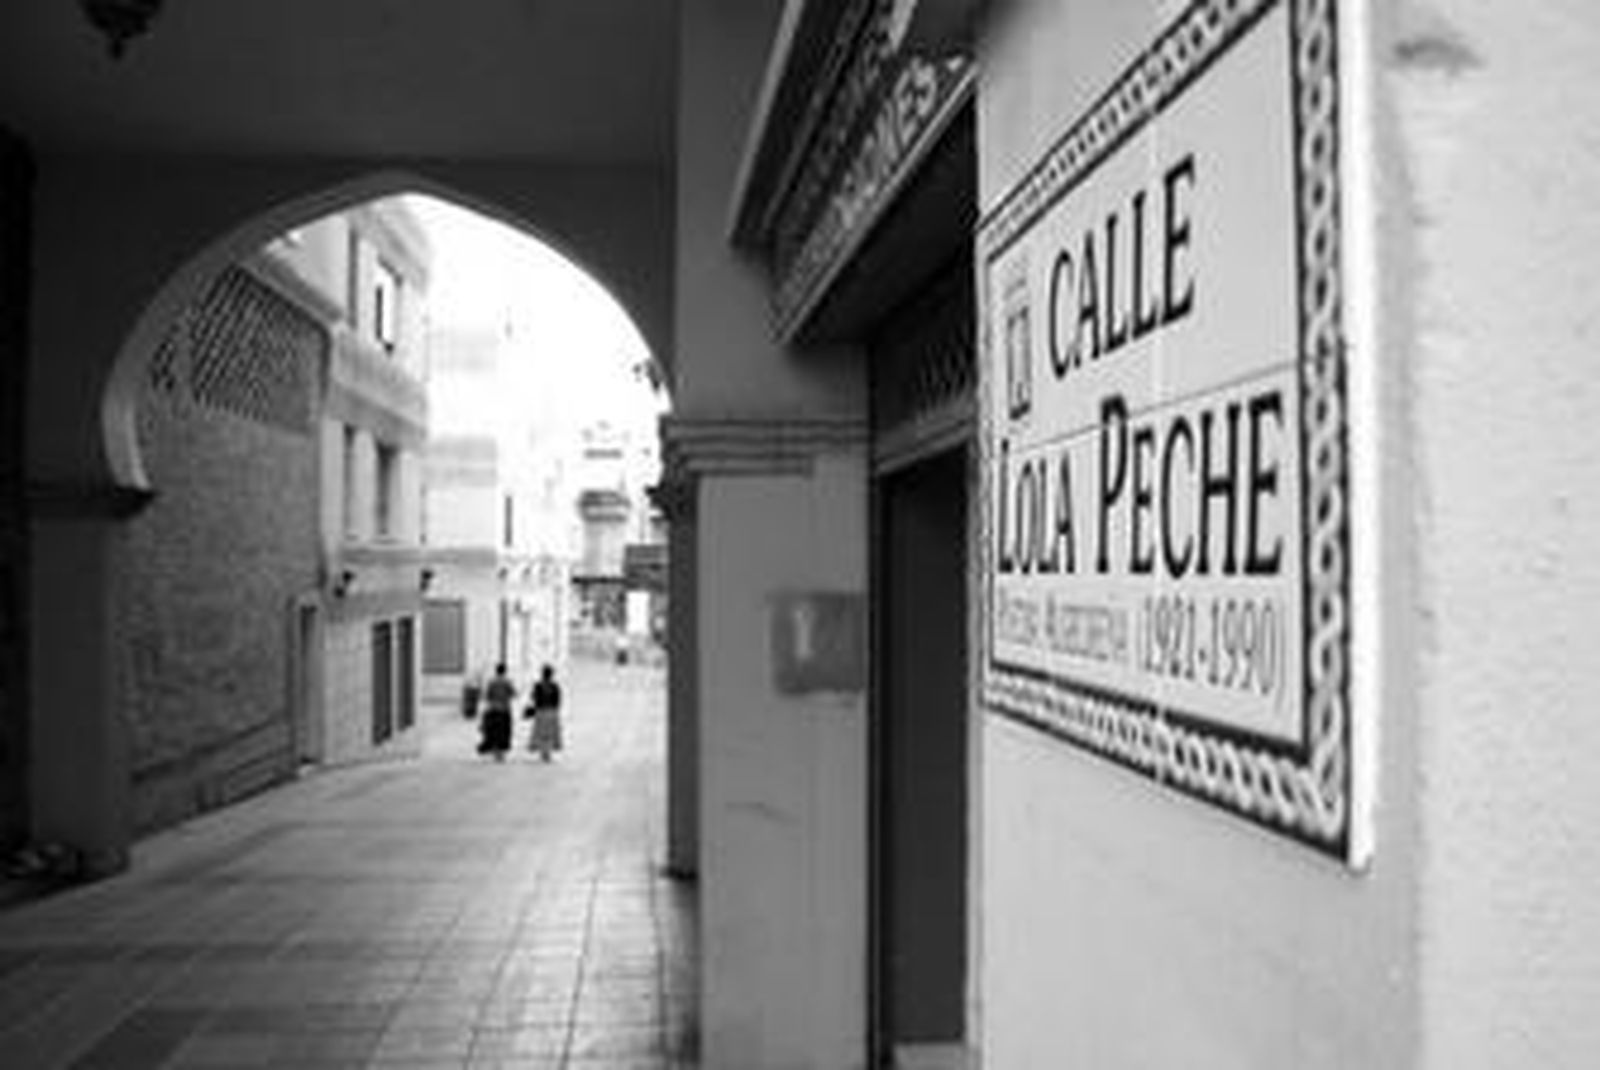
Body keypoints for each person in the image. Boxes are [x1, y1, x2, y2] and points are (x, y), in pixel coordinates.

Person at [477, 663, 516, 761]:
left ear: (496, 671)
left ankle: (494, 749)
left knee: (493, 731)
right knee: (503, 731)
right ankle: (501, 752)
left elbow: (487, 695)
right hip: (504, 709)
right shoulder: (507, 682)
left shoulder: (492, 682)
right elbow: (513, 693)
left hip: (493, 709)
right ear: (505, 671)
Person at [526, 663, 563, 762]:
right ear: (551, 675)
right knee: (550, 733)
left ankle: (543, 752)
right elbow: (558, 700)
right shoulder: (555, 686)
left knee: (541, 733)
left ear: (542, 674)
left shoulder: (538, 685)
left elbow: (533, 697)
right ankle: (547, 752)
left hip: (541, 711)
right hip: (551, 712)